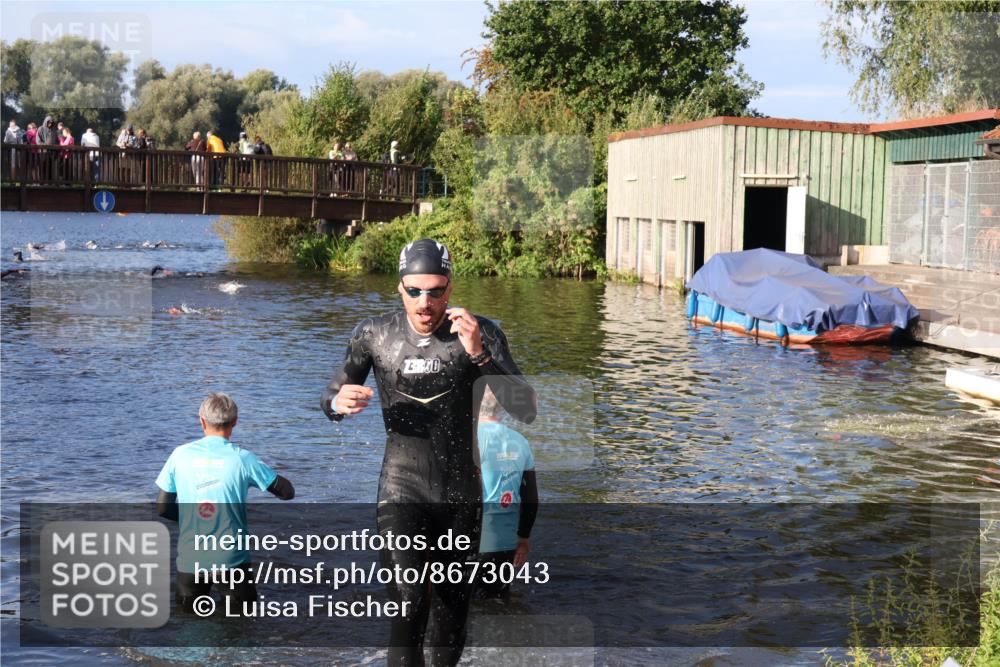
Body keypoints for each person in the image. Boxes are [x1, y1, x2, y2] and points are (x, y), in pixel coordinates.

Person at [321, 238, 537, 667]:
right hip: (402, 488)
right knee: (408, 599)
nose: (425, 302)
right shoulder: (373, 334)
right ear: (400, 288)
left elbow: (525, 408)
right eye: (415, 291)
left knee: (451, 610)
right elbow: (330, 393)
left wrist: (478, 354)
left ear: (450, 289)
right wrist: (335, 402)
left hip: (461, 493)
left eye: (435, 291)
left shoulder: (482, 332)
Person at [156, 392, 295, 613]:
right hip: (232, 559)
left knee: (189, 626)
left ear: (202, 421)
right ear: (235, 422)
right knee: (241, 627)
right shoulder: (243, 459)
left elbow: (163, 508)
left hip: (191, 559)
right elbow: (287, 492)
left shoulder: (179, 455)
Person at [473, 385, 538, 601]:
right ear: (500, 407)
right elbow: (531, 499)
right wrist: (524, 538)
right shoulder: (520, 442)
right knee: (499, 600)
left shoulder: (466, 438)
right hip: (506, 541)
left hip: (467, 539)